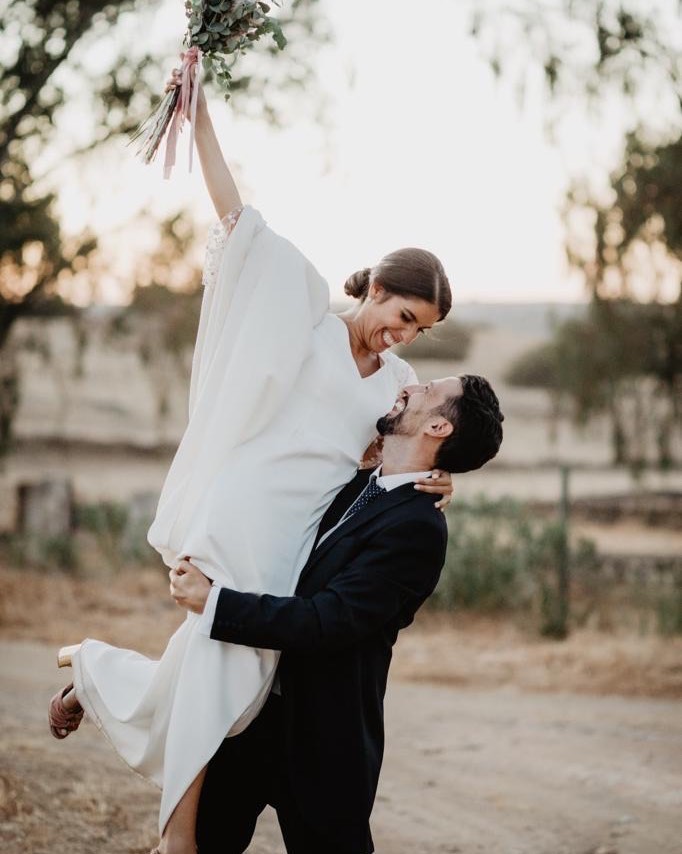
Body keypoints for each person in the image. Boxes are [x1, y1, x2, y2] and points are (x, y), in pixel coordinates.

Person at [47, 68, 456, 854]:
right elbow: (238, 218)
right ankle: (180, 841)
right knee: (226, 669)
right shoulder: (302, 320)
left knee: (239, 680)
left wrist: (431, 488)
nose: (402, 338)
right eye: (401, 316)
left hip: (296, 536)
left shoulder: (403, 386)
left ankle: (98, 678)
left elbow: (394, 464)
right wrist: (197, 116)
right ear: (373, 288)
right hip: (242, 507)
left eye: (419, 332)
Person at [169, 374, 504, 854]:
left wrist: (215, 602)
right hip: (250, 709)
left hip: (324, 736)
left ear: (437, 428)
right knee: (205, 843)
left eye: (428, 389)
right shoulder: (349, 482)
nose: (410, 386)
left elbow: (329, 621)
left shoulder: (418, 528)